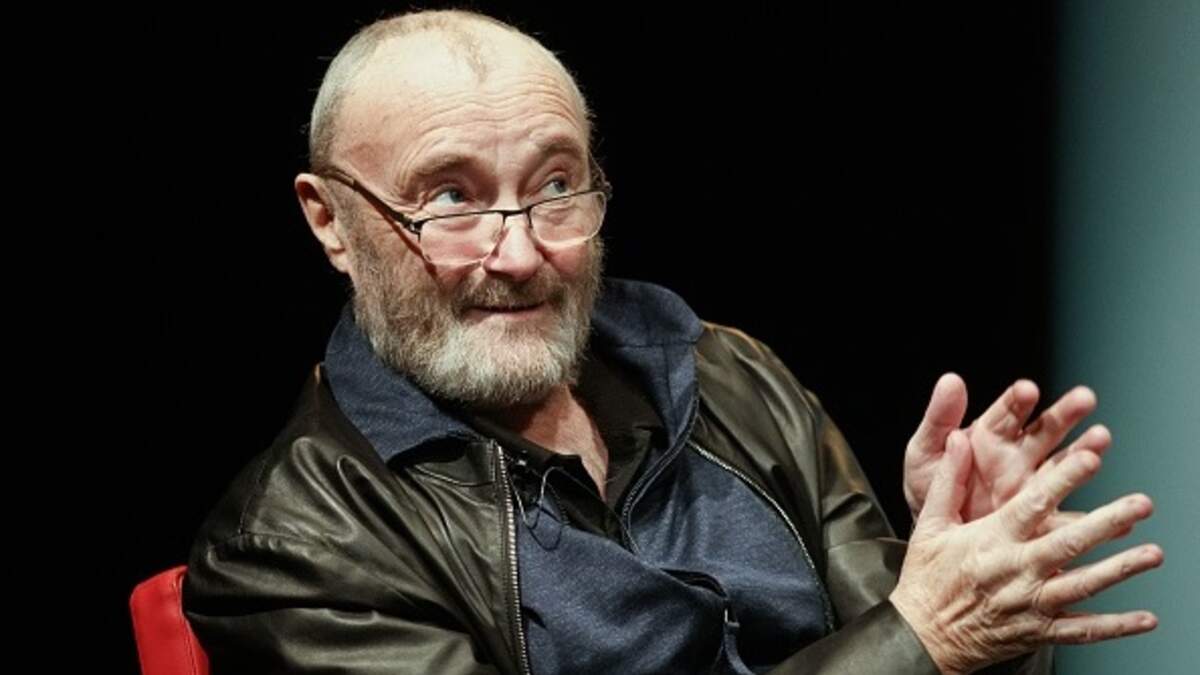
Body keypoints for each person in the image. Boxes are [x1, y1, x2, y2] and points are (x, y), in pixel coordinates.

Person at [182, 10, 1162, 674]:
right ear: (329, 221)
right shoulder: (292, 548)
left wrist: (982, 575)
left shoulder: (725, 375)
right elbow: (914, 643)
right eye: (450, 199)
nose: (519, 253)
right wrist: (925, 635)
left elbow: (929, 643)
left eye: (556, 185)